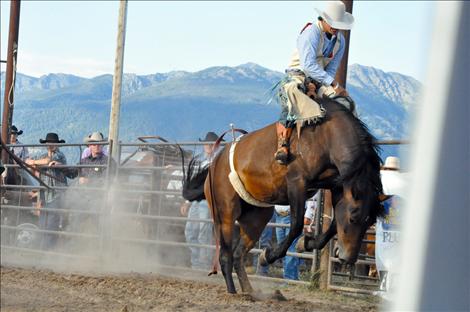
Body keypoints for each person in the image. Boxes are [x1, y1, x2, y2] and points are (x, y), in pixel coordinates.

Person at [275, 1, 355, 164]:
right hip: (298, 73)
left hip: (320, 79)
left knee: (346, 102)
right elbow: (308, 64)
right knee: (292, 92)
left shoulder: (340, 42)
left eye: (338, 24)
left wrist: (324, 85)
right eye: (333, 23)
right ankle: (282, 143)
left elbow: (331, 68)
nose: (335, 27)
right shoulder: (311, 32)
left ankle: (349, 144)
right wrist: (333, 84)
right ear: (324, 19)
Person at [181, 131, 223, 270]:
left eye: (211, 144)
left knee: (203, 233)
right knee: (190, 232)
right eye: (207, 143)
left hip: (208, 201)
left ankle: (203, 265)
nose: (208, 146)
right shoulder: (199, 160)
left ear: (216, 146)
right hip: (196, 201)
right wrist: (188, 201)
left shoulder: (219, 161)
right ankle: (196, 263)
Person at [25, 132, 68, 250]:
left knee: (51, 224)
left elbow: (47, 161)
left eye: (53, 143)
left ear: (57, 144)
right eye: (49, 143)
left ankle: (47, 250)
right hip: (45, 194)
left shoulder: (59, 155)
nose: (50, 145)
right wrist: (33, 166)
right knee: (43, 223)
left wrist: (33, 162)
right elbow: (33, 165)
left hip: (56, 194)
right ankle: (44, 249)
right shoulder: (43, 156)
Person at [375, 156, 406, 298]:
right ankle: (397, 288)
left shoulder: (382, 180)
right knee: (399, 257)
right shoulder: (405, 182)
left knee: (382, 255)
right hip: (401, 227)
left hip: (385, 226)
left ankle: (383, 285)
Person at [274, 205, 300, 280]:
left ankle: (289, 279)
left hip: (292, 215)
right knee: (283, 248)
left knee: (290, 248)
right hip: (278, 216)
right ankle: (291, 277)